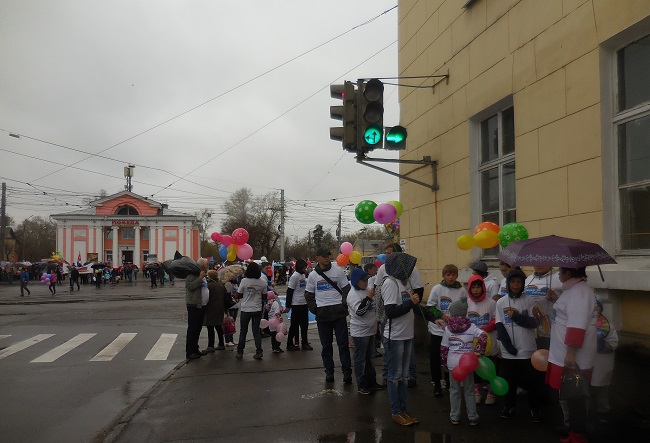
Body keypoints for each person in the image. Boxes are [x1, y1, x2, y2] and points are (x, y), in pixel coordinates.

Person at [546, 267, 597, 443]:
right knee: (571, 396)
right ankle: (574, 431)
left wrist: (571, 353)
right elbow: (569, 313)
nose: (558, 274)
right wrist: (557, 300)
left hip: (572, 357)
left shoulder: (579, 292)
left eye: (560, 271)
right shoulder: (574, 291)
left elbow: (577, 324)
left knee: (576, 397)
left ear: (568, 274)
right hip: (564, 354)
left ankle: (579, 436)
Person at [495, 269, 543, 422]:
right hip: (509, 352)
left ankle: (534, 407)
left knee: (532, 381)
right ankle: (508, 405)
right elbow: (499, 325)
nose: (515, 285)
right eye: (512, 282)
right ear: (508, 283)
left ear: (523, 284)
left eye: (519, 282)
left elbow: (535, 323)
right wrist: (508, 346)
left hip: (527, 349)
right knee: (509, 381)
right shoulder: (501, 302)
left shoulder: (530, 301)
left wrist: (516, 316)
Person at [379, 252, 420, 426]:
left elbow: (412, 308)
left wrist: (436, 317)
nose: (410, 271)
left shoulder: (403, 284)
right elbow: (390, 312)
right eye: (408, 268)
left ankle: (403, 409)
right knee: (394, 376)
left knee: (404, 376)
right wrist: (411, 303)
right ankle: (396, 411)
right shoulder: (390, 283)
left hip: (407, 335)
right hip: (395, 337)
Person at [375, 243, 424, 388]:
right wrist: (379, 315)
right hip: (391, 318)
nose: (386, 256)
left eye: (389, 253)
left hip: (406, 316)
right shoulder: (384, 271)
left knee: (408, 349)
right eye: (386, 253)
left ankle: (410, 375)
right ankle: (387, 376)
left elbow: (418, 289)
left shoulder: (411, 269)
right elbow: (377, 290)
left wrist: (413, 303)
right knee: (389, 349)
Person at [305, 247, 352, 384]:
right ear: (317, 258)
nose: (327, 258)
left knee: (343, 345)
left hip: (338, 313)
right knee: (326, 346)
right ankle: (329, 372)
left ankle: (347, 372)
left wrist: (343, 305)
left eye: (328, 255)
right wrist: (316, 310)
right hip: (323, 314)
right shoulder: (313, 275)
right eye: (324, 256)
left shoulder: (338, 271)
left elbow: (346, 290)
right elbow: (309, 295)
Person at [441, 296, 487, 426]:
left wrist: (444, 363)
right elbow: (483, 335)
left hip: (453, 364)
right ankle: (472, 417)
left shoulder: (448, 328)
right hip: (467, 364)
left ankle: (455, 416)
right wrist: (479, 351)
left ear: (452, 313)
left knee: (454, 390)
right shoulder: (471, 326)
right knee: (469, 390)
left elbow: (444, 348)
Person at [425, 264, 465, 396]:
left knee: (450, 358)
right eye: (448, 275)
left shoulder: (462, 290)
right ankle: (437, 384)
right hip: (438, 330)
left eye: (453, 275)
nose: (451, 277)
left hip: (453, 331)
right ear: (443, 276)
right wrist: (442, 316)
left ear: (457, 276)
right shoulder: (437, 288)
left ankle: (449, 383)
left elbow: (465, 308)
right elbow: (430, 307)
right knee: (435, 358)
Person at [347, 268, 380, 395]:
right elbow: (360, 311)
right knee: (360, 359)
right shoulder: (353, 294)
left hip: (371, 330)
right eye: (364, 280)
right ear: (357, 281)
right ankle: (362, 384)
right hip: (360, 331)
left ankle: (372, 382)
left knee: (370, 358)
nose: (366, 282)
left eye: (367, 279)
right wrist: (368, 298)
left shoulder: (366, 290)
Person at [466, 274, 498, 405]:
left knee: (490, 366)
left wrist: (487, 327)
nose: (476, 290)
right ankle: (476, 391)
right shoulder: (466, 303)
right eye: (473, 287)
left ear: (483, 288)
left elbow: (497, 319)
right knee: (475, 366)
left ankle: (491, 392)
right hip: (472, 341)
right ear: (469, 288)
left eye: (478, 287)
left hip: (489, 341)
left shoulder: (491, 303)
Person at [591, 299, 618, 425]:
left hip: (602, 363)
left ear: (601, 308)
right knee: (585, 388)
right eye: (592, 306)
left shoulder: (607, 325)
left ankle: (603, 412)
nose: (595, 308)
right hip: (587, 362)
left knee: (602, 388)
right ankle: (586, 412)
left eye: (597, 306)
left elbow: (614, 343)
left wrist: (602, 345)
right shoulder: (583, 323)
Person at [523, 266, 562, 350]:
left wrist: (556, 299)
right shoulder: (528, 280)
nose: (539, 265)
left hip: (552, 330)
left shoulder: (559, 278)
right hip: (531, 329)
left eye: (543, 262)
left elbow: (568, 303)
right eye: (536, 262)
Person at [235, 262, 267, 360]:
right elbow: (264, 296)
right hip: (257, 308)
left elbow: (238, 295)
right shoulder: (262, 282)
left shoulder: (244, 281)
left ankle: (240, 351)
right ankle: (259, 351)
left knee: (243, 331)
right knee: (256, 331)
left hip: (246, 308)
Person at [185, 258, 209, 360]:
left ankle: (195, 349)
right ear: (202, 266)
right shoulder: (192, 275)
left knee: (198, 329)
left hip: (201, 306)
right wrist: (200, 278)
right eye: (207, 265)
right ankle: (190, 352)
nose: (208, 267)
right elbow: (190, 286)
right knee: (193, 329)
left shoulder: (203, 275)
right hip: (194, 305)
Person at [286, 259, 311, 351]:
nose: (305, 269)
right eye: (304, 267)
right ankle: (289, 343)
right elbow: (289, 291)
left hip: (304, 303)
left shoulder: (303, 275)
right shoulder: (295, 276)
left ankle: (304, 342)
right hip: (296, 304)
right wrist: (288, 305)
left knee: (304, 325)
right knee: (294, 325)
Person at [202, 269, 227, 353]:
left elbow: (206, 296)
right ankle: (221, 343)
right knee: (218, 326)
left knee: (210, 327)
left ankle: (210, 345)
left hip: (211, 308)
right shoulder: (220, 284)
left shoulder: (209, 285)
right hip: (220, 308)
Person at [224, 277, 239, 347]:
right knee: (228, 323)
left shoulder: (235, 284)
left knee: (232, 323)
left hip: (236, 305)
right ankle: (227, 340)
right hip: (230, 306)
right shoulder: (228, 284)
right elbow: (227, 295)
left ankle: (231, 339)